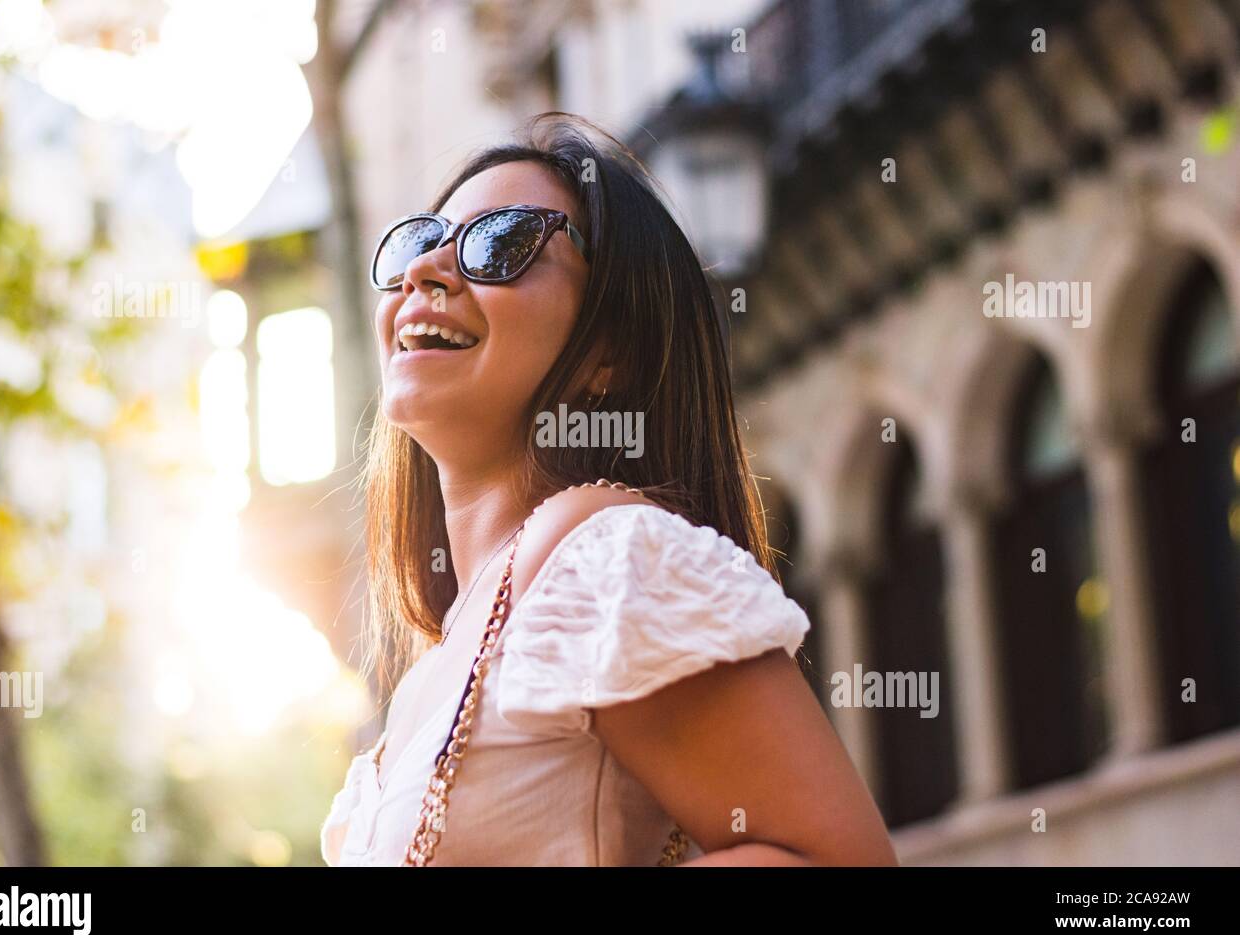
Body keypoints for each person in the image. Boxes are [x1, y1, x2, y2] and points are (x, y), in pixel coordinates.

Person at [321, 113, 897, 866]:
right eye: (417, 243)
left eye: (500, 242)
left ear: (608, 351)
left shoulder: (604, 553)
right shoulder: (430, 668)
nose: (428, 271)